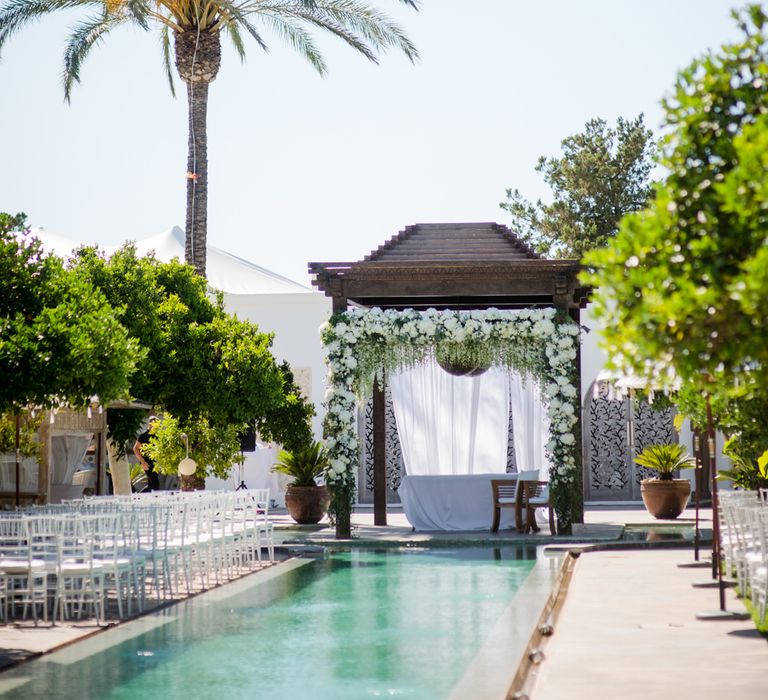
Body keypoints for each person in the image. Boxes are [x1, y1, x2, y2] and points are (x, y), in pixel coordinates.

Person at [133, 416, 160, 492]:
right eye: (155, 423)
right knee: (155, 485)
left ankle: (139, 498)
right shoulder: (144, 436)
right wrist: (143, 462)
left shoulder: (157, 435)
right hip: (147, 463)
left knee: (151, 485)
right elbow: (135, 448)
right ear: (150, 423)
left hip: (155, 463)